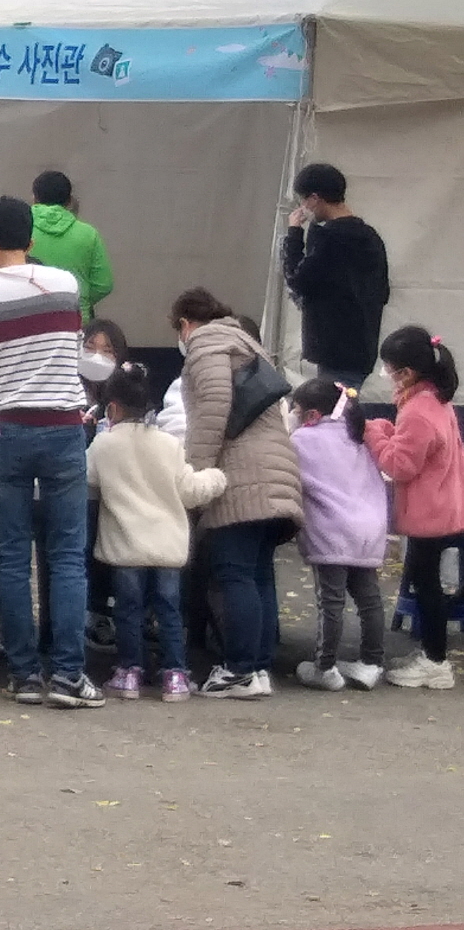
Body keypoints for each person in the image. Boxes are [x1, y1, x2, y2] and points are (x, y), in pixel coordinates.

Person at [0, 195, 99, 709]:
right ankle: (69, 675)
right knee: (66, 557)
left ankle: (23, 675)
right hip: (63, 429)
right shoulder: (66, 285)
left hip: (6, 431)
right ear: (31, 241)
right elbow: (73, 352)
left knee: (11, 556)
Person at [174, 286, 305, 700]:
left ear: (184, 324)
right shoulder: (246, 343)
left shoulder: (207, 344)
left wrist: (196, 472)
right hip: (277, 475)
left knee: (234, 574)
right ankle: (259, 667)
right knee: (258, 573)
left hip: (242, 479)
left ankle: (240, 669)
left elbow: (213, 405)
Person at [87, 361, 227, 702]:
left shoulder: (104, 445)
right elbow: (190, 489)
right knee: (169, 610)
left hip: (126, 546)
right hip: (167, 546)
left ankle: (129, 672)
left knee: (128, 610)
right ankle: (175, 674)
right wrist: (218, 477)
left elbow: (87, 479)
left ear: (113, 408)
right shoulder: (168, 444)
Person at [363, 326, 464, 690]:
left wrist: (373, 431)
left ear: (405, 372)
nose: (386, 374)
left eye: (389, 368)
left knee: (428, 587)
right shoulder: (435, 397)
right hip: (444, 503)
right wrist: (391, 430)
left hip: (430, 513)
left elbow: (399, 465)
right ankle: (430, 652)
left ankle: (436, 662)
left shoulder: (419, 410)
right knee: (427, 583)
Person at [287, 378, 388, 693]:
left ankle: (325, 666)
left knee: (330, 602)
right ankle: (371, 663)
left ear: (312, 414)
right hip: (369, 529)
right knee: (369, 600)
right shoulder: (358, 435)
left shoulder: (303, 440)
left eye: (296, 409)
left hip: (331, 532)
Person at [282, 162, 391, 391]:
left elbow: (296, 279)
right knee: (345, 410)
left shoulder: (327, 237)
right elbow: (383, 291)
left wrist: (294, 233)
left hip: (333, 348)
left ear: (314, 199)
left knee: (333, 418)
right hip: (363, 347)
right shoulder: (371, 237)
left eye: (304, 200)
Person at [77, 318, 130, 648]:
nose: (97, 356)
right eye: (90, 348)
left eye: (107, 351)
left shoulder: (128, 394)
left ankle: (108, 611)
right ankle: (88, 613)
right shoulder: (67, 388)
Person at [27, 171, 115, 321]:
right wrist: (81, 299)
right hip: (75, 319)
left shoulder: (22, 230)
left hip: (31, 319)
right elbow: (103, 284)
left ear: (34, 198)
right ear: (69, 201)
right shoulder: (88, 234)